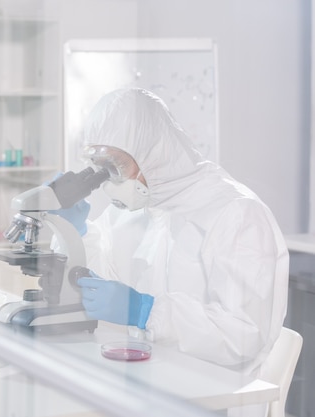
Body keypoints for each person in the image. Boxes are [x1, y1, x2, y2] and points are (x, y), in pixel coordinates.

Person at [61, 88, 289, 383]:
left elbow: (242, 336)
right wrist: (75, 234)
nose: (110, 180)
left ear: (153, 153)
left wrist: (149, 312)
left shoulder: (237, 213)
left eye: (115, 166)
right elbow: (102, 282)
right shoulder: (137, 208)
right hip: (147, 383)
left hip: (215, 396)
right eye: (101, 168)